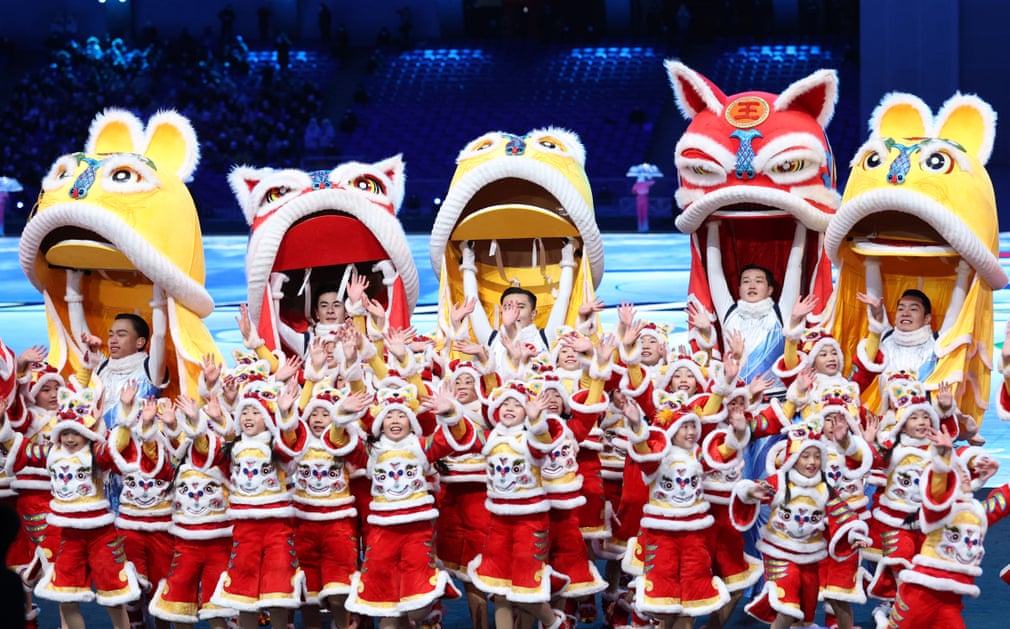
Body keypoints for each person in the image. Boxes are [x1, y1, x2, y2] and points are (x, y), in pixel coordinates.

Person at [730, 418, 870, 628]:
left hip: (809, 557)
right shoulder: (780, 481)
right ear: (794, 458)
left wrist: (855, 535)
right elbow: (751, 489)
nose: (812, 462)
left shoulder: (824, 487)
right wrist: (750, 491)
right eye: (805, 456)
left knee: (804, 615)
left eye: (816, 456)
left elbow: (842, 514)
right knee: (788, 609)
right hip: (780, 554)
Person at [31, 387, 142, 629]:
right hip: (69, 536)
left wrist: (125, 409)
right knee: (66, 597)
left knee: (114, 597)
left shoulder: (96, 453)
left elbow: (119, 443)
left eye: (76, 433)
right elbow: (19, 449)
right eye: (65, 433)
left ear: (87, 433)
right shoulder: (52, 454)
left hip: (100, 536)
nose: (70, 439)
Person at [207, 379, 307, 629]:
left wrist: (285, 413)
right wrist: (218, 418)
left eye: (255, 412)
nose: (248, 417)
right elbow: (213, 449)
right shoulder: (234, 447)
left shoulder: (275, 445)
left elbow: (290, 446)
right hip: (245, 527)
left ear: (267, 418)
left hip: (276, 527)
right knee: (243, 591)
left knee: (278, 591)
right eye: (245, 412)